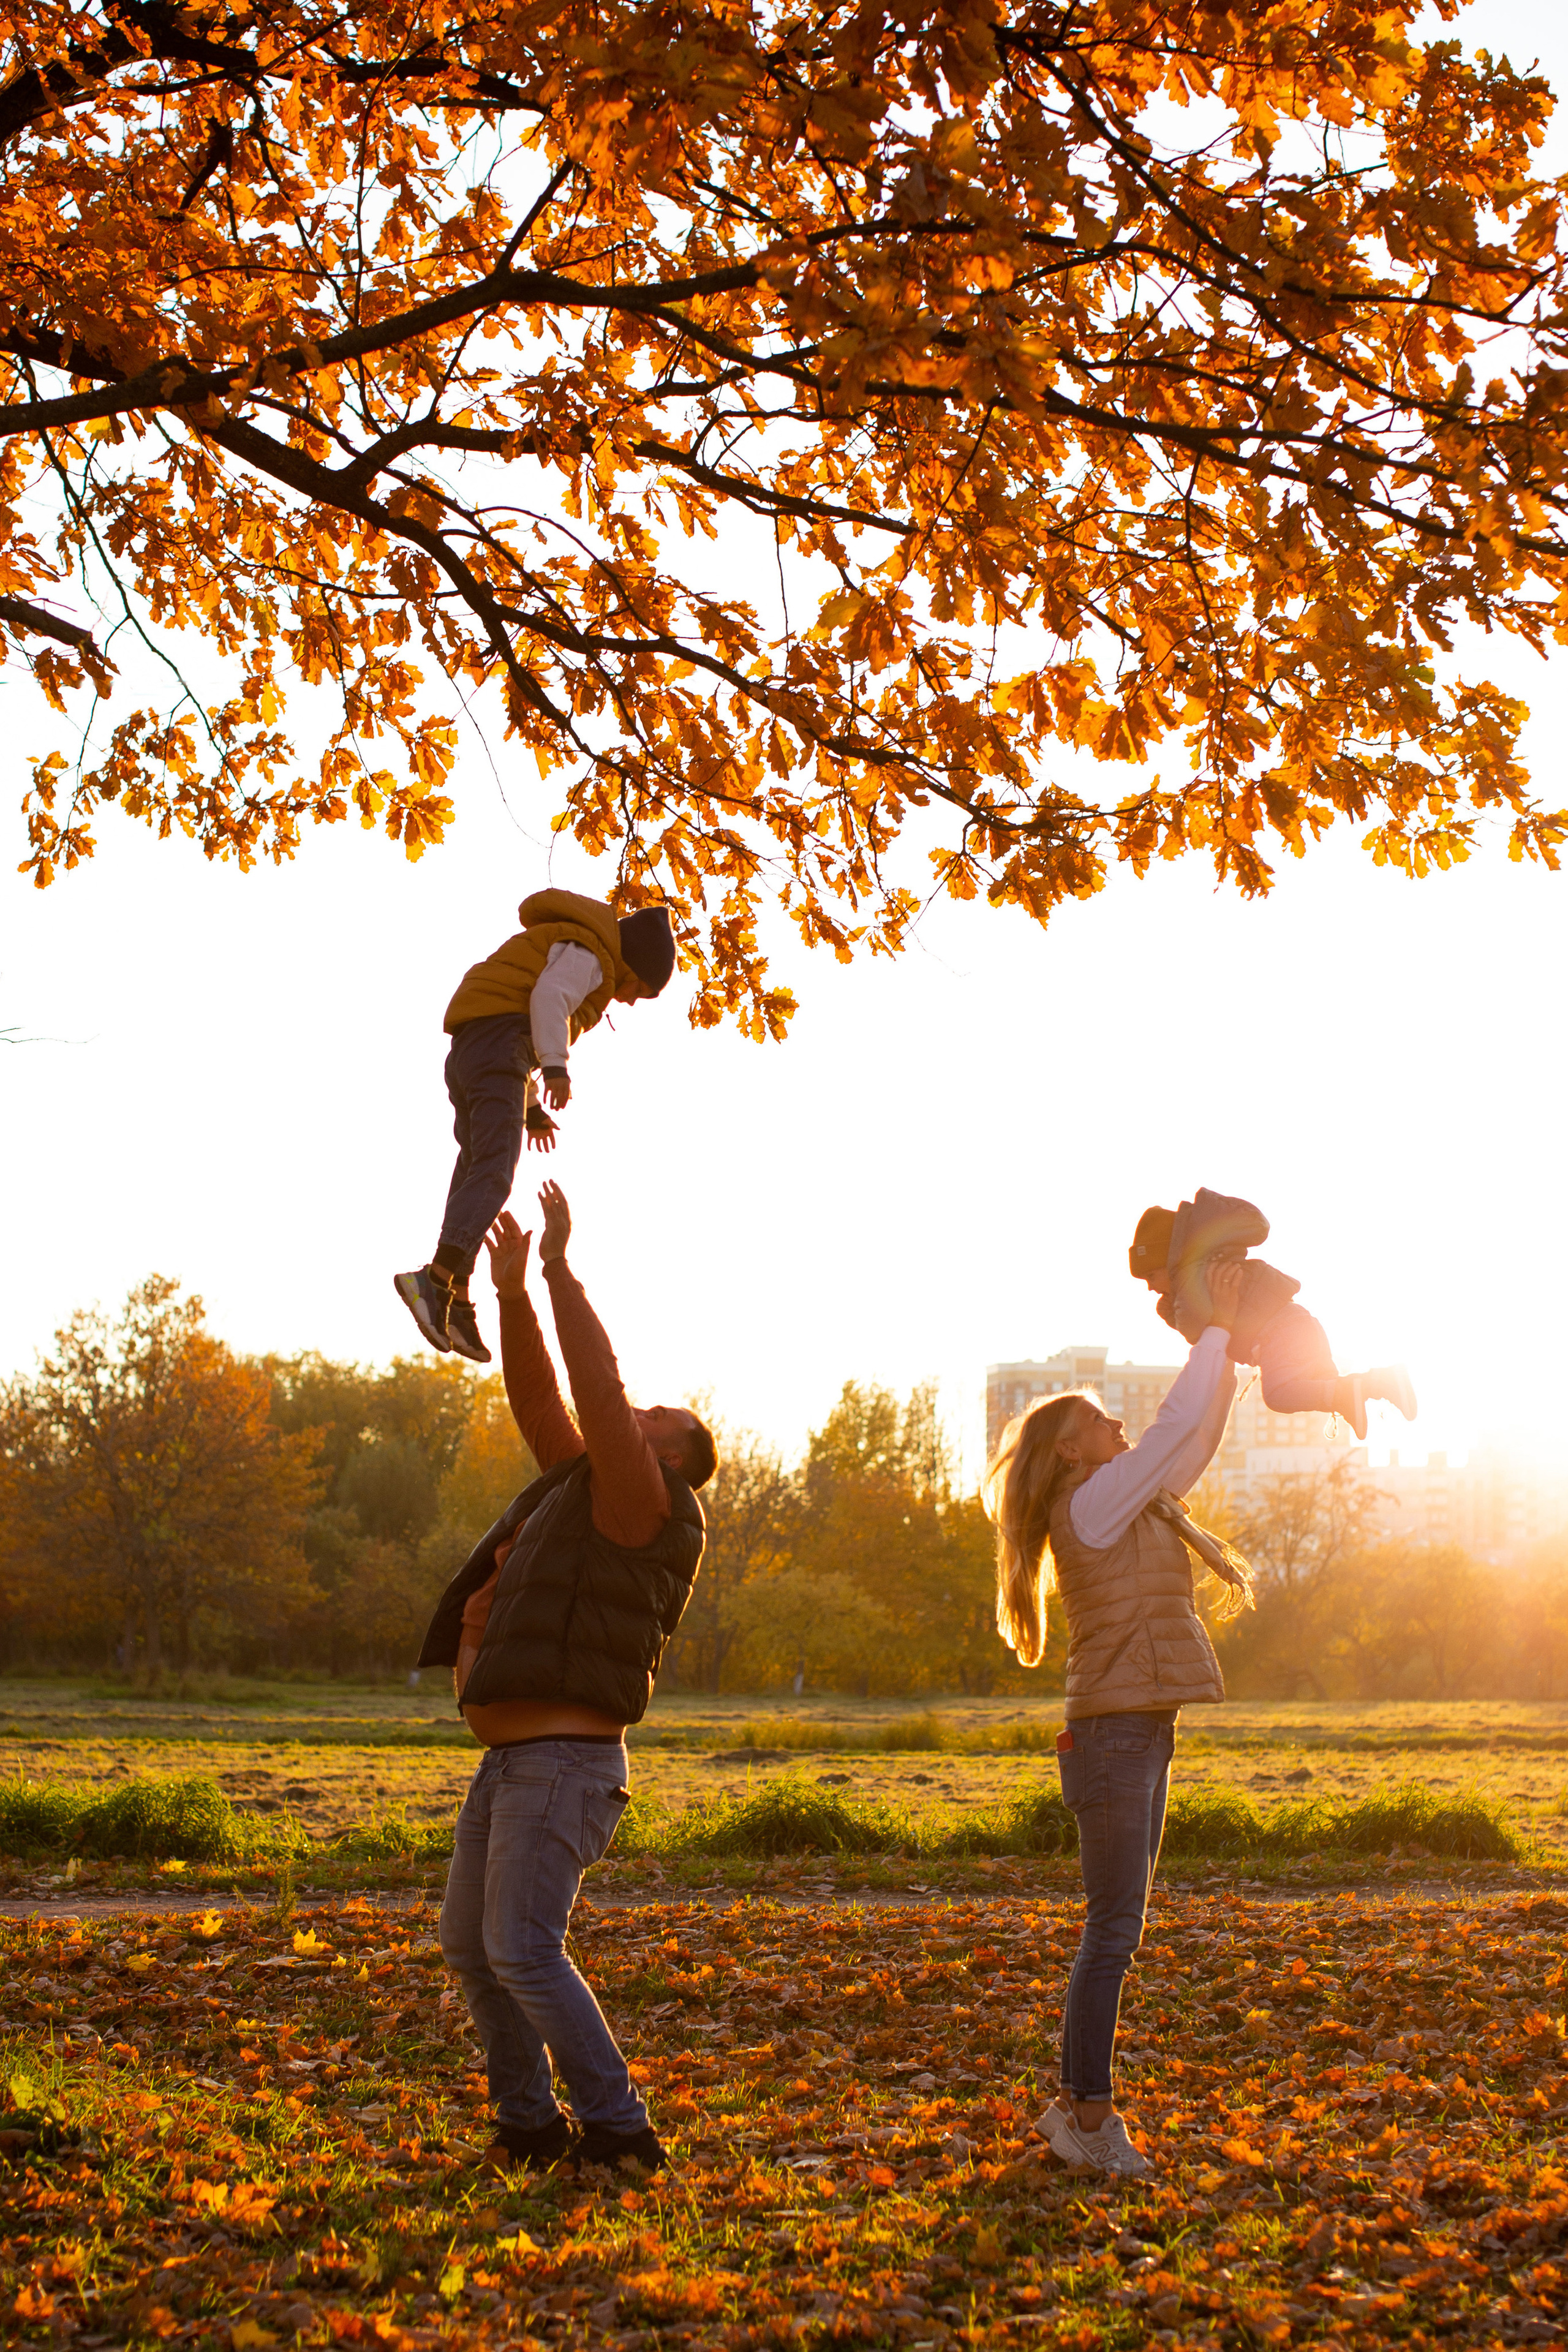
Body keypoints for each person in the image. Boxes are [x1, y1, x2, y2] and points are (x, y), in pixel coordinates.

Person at [416, 1180, 716, 2177]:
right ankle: (529, 2125)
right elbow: (545, 1399)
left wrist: (557, 1268)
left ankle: (622, 2130)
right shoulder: (581, 1482)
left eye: (651, 1414)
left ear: (668, 1452)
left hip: (564, 1760)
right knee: (475, 1947)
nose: (634, 1410)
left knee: (524, 1949)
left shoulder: (643, 1499)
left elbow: (590, 1387)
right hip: (513, 1762)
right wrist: (507, 1293)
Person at [983, 1259, 1254, 2180]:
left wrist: (1233, 1351)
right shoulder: (1090, 1504)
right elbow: (1173, 1429)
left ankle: (1077, 2110)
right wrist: (1211, 1330)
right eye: (1096, 1419)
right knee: (1111, 1928)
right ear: (1071, 1451)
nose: (1113, 1423)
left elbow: (1193, 1439)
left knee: (1117, 1928)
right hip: (1113, 1736)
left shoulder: (1127, 1500)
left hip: (1138, 1729)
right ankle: (1089, 2116)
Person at [394, 888, 676, 1364]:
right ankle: (434, 1279)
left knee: (475, 1169)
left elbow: (517, 1016)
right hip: (499, 1046)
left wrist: (529, 1108)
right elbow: (547, 1002)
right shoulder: (591, 955)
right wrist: (556, 1069)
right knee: (496, 1173)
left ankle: (458, 1301)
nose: (628, 1003)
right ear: (633, 967)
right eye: (639, 992)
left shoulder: (571, 946)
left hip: (474, 1049)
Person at [1129, 1188, 1416, 1440]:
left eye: (1151, 1275)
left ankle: (1356, 1392)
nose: (1151, 1287)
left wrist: (1166, 1306)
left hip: (1279, 1335)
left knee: (1279, 1395)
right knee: (1323, 1386)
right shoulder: (1207, 1266)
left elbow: (1195, 1330)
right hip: (1300, 1325)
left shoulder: (1193, 1278)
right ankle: (1382, 1382)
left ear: (1171, 1260)